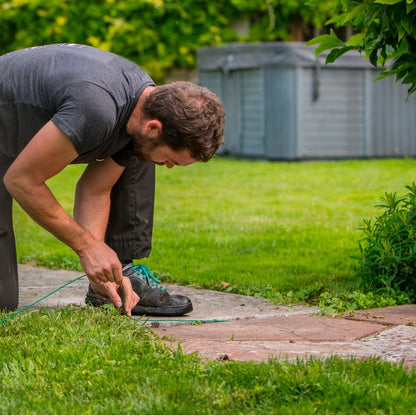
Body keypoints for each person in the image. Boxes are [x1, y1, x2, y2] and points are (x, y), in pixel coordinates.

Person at [0, 43, 225, 317]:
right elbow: (22, 180)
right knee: (3, 301)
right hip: (7, 144)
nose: (168, 167)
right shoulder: (96, 109)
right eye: (172, 159)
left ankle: (118, 276)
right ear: (154, 127)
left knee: (143, 154)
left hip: (14, 144)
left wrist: (100, 270)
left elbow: (95, 189)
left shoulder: (146, 105)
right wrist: (86, 247)